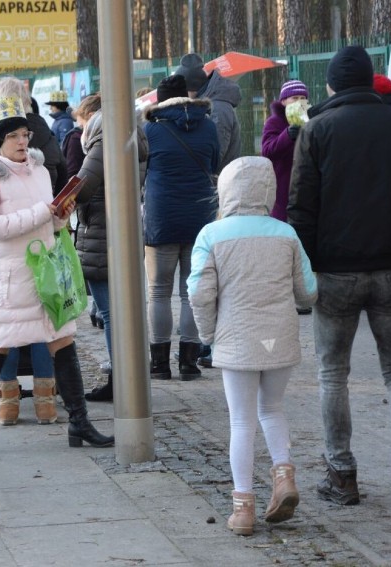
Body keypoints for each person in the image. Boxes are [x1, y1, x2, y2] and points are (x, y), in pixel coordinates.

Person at [287, 45, 391, 519]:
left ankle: (341, 473)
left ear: (329, 85)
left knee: (333, 374)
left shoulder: (316, 129)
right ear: (371, 81)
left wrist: (305, 270)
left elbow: (301, 207)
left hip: (335, 270)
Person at [0, 93, 114, 457]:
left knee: (64, 343)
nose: (23, 141)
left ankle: (80, 422)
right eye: (14, 136)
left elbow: (50, 222)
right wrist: (44, 213)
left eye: (25, 134)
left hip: (45, 274)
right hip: (10, 277)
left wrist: (61, 213)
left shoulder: (40, 170)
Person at [188, 156, 317, 536]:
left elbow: (198, 293)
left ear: (225, 190)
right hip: (279, 334)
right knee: (272, 408)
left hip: (237, 335)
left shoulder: (211, 234)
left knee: (241, 421)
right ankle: (284, 476)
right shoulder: (285, 233)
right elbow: (308, 292)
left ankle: (243, 508)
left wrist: (209, 335)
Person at [143, 74, 219, 381]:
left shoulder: (150, 129)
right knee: (191, 292)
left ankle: (160, 364)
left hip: (161, 217)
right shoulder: (209, 126)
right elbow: (214, 164)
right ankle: (188, 363)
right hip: (201, 215)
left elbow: (141, 170)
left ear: (161, 100)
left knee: (159, 292)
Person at [76, 107, 148, 401]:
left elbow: (81, 187)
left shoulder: (103, 142)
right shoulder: (137, 138)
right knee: (124, 312)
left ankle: (120, 380)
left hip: (102, 235)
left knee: (111, 313)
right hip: (125, 230)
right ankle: (131, 376)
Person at [175, 53, 242, 171]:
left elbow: (213, 157)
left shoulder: (218, 109)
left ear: (191, 87)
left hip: (218, 184)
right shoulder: (206, 104)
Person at [261, 80, 308, 222]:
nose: (299, 102)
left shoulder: (309, 121)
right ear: (283, 101)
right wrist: (287, 135)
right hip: (282, 186)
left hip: (304, 185)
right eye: (295, 98)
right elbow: (267, 151)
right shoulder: (274, 122)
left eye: (303, 98)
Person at [61, 94, 101, 178]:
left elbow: (72, 173)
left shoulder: (76, 138)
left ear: (91, 116)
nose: (81, 130)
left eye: (82, 126)